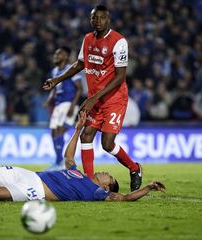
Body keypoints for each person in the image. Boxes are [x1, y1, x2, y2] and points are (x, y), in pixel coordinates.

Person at [0, 111, 165, 202]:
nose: (102, 172)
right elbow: (69, 158)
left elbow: (125, 198)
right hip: (29, 174)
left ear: (107, 184)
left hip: (34, 191)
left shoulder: (97, 193)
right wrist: (77, 130)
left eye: (107, 175)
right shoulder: (79, 174)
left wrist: (148, 188)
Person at [43, 5, 142, 191]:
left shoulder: (119, 42)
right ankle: (89, 183)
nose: (97, 21)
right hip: (95, 99)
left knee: (107, 144)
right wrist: (57, 79)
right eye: (94, 18)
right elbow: (79, 64)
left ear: (108, 19)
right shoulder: (88, 39)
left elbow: (120, 77)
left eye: (101, 18)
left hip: (114, 100)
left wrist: (92, 98)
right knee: (86, 135)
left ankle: (134, 168)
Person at [43, 46, 83, 170]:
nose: (55, 57)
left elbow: (79, 88)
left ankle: (60, 163)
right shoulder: (54, 71)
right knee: (53, 132)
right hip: (58, 104)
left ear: (65, 56)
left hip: (68, 103)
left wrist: (73, 105)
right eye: (55, 55)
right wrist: (49, 100)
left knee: (60, 131)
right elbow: (54, 89)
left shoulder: (70, 69)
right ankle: (58, 161)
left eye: (58, 54)